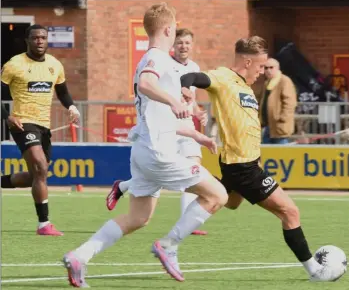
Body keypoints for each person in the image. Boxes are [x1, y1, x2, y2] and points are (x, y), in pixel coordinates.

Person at [62, 3, 227, 288]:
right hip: (158, 153)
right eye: (175, 29)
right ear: (167, 29)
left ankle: (80, 256)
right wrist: (176, 101)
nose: (176, 34)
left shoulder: (157, 60)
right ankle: (169, 245)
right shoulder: (157, 58)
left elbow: (159, 116)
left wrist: (197, 136)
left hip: (144, 149)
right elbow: (145, 84)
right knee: (217, 196)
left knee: (138, 217)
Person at [180, 36, 344, 282]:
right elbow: (191, 78)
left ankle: (183, 176)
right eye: (260, 66)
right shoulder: (224, 77)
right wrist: (186, 91)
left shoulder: (246, 87)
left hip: (245, 163)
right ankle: (315, 271)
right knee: (290, 212)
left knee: (230, 202)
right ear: (247, 62)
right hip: (242, 166)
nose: (262, 72)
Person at [106, 28, 209, 236]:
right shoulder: (164, 64)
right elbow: (156, 89)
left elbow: (191, 99)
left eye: (187, 43)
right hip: (166, 126)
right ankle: (124, 186)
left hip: (186, 125)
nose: (183, 47)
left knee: (193, 165)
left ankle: (187, 222)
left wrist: (198, 113)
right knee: (158, 178)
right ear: (173, 44)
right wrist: (178, 94)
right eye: (180, 43)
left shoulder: (195, 67)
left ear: (192, 45)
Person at [1, 24, 80, 236]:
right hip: (22, 123)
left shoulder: (55, 65)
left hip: (44, 125)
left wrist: (71, 107)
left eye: (43, 38)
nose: (39, 42)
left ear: (47, 40)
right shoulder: (14, 64)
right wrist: (7, 117)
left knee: (37, 174)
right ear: (27, 40)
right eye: (35, 38)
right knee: (39, 165)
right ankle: (44, 224)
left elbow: (62, 92)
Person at [259, 58, 297, 144]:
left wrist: (283, 118)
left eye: (271, 67)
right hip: (268, 126)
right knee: (266, 154)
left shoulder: (284, 81)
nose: (268, 70)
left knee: (282, 154)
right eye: (266, 68)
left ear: (277, 68)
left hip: (279, 126)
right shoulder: (267, 83)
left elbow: (290, 103)